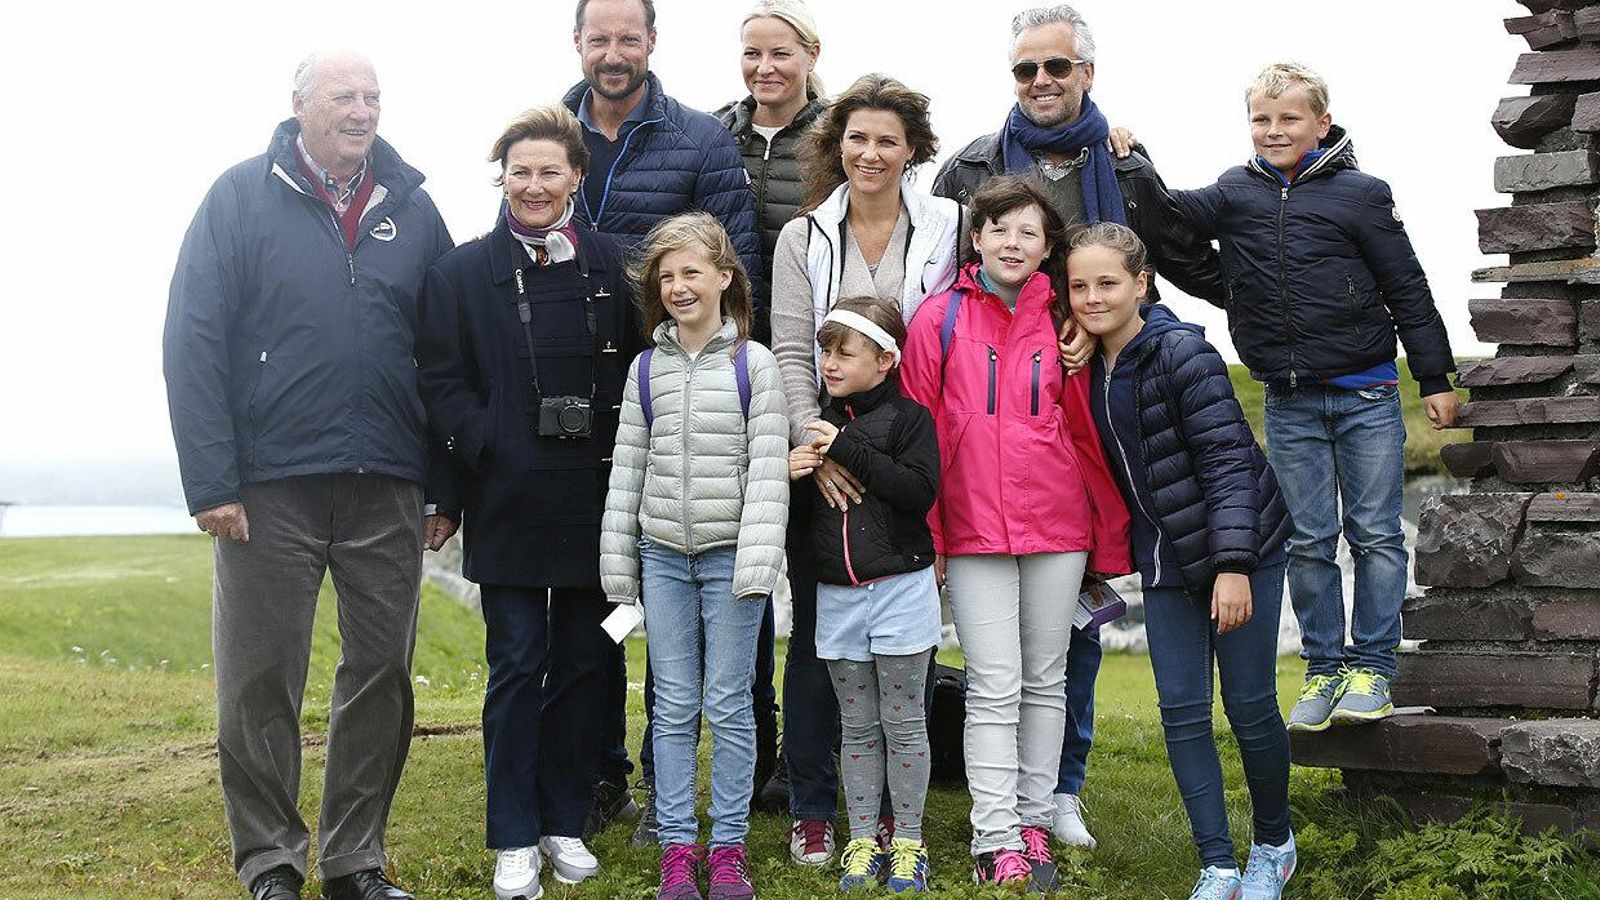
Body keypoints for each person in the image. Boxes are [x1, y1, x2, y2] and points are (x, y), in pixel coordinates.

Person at [930, 3, 1225, 850]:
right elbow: (941, 269)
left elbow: (1173, 251)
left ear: (1086, 72)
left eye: (1056, 67)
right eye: (1025, 70)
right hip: (1007, 386)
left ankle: (1060, 786)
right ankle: (1019, 795)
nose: (1041, 82)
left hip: (1101, 385)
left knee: (1078, 613)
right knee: (1014, 648)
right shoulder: (972, 167)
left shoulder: (1125, 164)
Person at [162, 51, 453, 900]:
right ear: (298, 107)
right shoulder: (238, 199)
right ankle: (270, 865)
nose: (362, 111)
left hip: (389, 482)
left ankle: (355, 861)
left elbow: (441, 360)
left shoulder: (415, 209)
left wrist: (443, 486)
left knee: (382, 678)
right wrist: (212, 481)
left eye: (372, 97)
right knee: (259, 681)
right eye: (343, 96)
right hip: (267, 488)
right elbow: (193, 341)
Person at [1166, 62, 1458, 737]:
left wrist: (1437, 378)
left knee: (1377, 534)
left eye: (1289, 119)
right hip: (1289, 400)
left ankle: (1374, 667)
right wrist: (1130, 155)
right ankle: (1324, 668)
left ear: (1321, 125)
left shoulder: (1361, 195)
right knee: (1308, 541)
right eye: (1261, 120)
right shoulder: (1234, 192)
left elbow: (1407, 288)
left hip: (1367, 394)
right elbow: (1166, 214)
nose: (1273, 131)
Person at [415, 104, 640, 900]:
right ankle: (512, 834)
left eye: (551, 171)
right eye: (521, 172)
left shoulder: (614, 264)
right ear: (502, 179)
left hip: (595, 495)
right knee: (516, 667)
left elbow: (638, 377)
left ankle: (564, 821)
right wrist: (493, 444)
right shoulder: (463, 273)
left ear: (578, 178)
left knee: (586, 663)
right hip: (507, 495)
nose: (535, 186)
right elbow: (440, 383)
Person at [566, 0, 768, 832]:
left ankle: (686, 799)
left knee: (710, 635)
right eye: (598, 37)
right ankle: (606, 772)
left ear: (653, 42)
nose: (614, 52)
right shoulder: (558, 136)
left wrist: (725, 360)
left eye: (628, 37)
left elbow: (739, 255)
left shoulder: (700, 141)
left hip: (687, 380)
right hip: (588, 391)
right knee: (607, 592)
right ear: (577, 44)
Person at [898, 176, 1130, 891]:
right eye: (999, 228)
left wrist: (1104, 535)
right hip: (970, 528)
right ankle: (993, 835)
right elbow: (917, 433)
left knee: (1045, 681)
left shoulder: (1068, 322)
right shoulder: (937, 318)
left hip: (1057, 525)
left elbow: (1092, 429)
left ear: (1047, 247)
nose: (1012, 243)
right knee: (994, 684)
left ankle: (1034, 819)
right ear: (976, 237)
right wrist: (930, 537)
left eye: (1029, 232)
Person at [1067, 222, 1297, 900]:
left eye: (1107, 283)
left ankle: (1273, 846)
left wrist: (1233, 565)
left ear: (1140, 283)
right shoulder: (1088, 366)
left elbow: (1228, 460)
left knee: (1251, 706)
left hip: (1243, 545)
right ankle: (1218, 863)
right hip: (1166, 559)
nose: (1092, 297)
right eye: (1079, 286)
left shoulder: (1181, 355)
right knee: (1183, 711)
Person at [768, 72, 963, 867]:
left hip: (908, 456)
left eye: (888, 139)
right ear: (835, 143)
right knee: (819, 647)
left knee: (898, 662)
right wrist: (814, 450)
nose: (871, 152)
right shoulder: (801, 236)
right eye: (856, 137)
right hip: (822, 456)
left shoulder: (948, 225)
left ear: (913, 148)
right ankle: (815, 807)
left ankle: (892, 819)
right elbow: (789, 352)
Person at [600, 212, 790, 900]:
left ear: (723, 277)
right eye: (667, 275)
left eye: (691, 272)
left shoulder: (755, 365)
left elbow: (769, 471)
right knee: (673, 706)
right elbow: (628, 471)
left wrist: (756, 565)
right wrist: (621, 569)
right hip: (663, 560)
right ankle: (679, 848)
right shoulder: (645, 370)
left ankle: (729, 848)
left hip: (730, 561)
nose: (679, 286)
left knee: (730, 704)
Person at [787, 297, 940, 894]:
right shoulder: (814, 425)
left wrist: (846, 448)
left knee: (902, 723)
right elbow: (805, 524)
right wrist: (793, 473)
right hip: (838, 597)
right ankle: (859, 838)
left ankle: (906, 839)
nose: (828, 362)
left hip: (901, 591)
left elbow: (918, 492)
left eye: (843, 352)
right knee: (855, 727)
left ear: (884, 360)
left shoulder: (910, 420)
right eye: (823, 350)